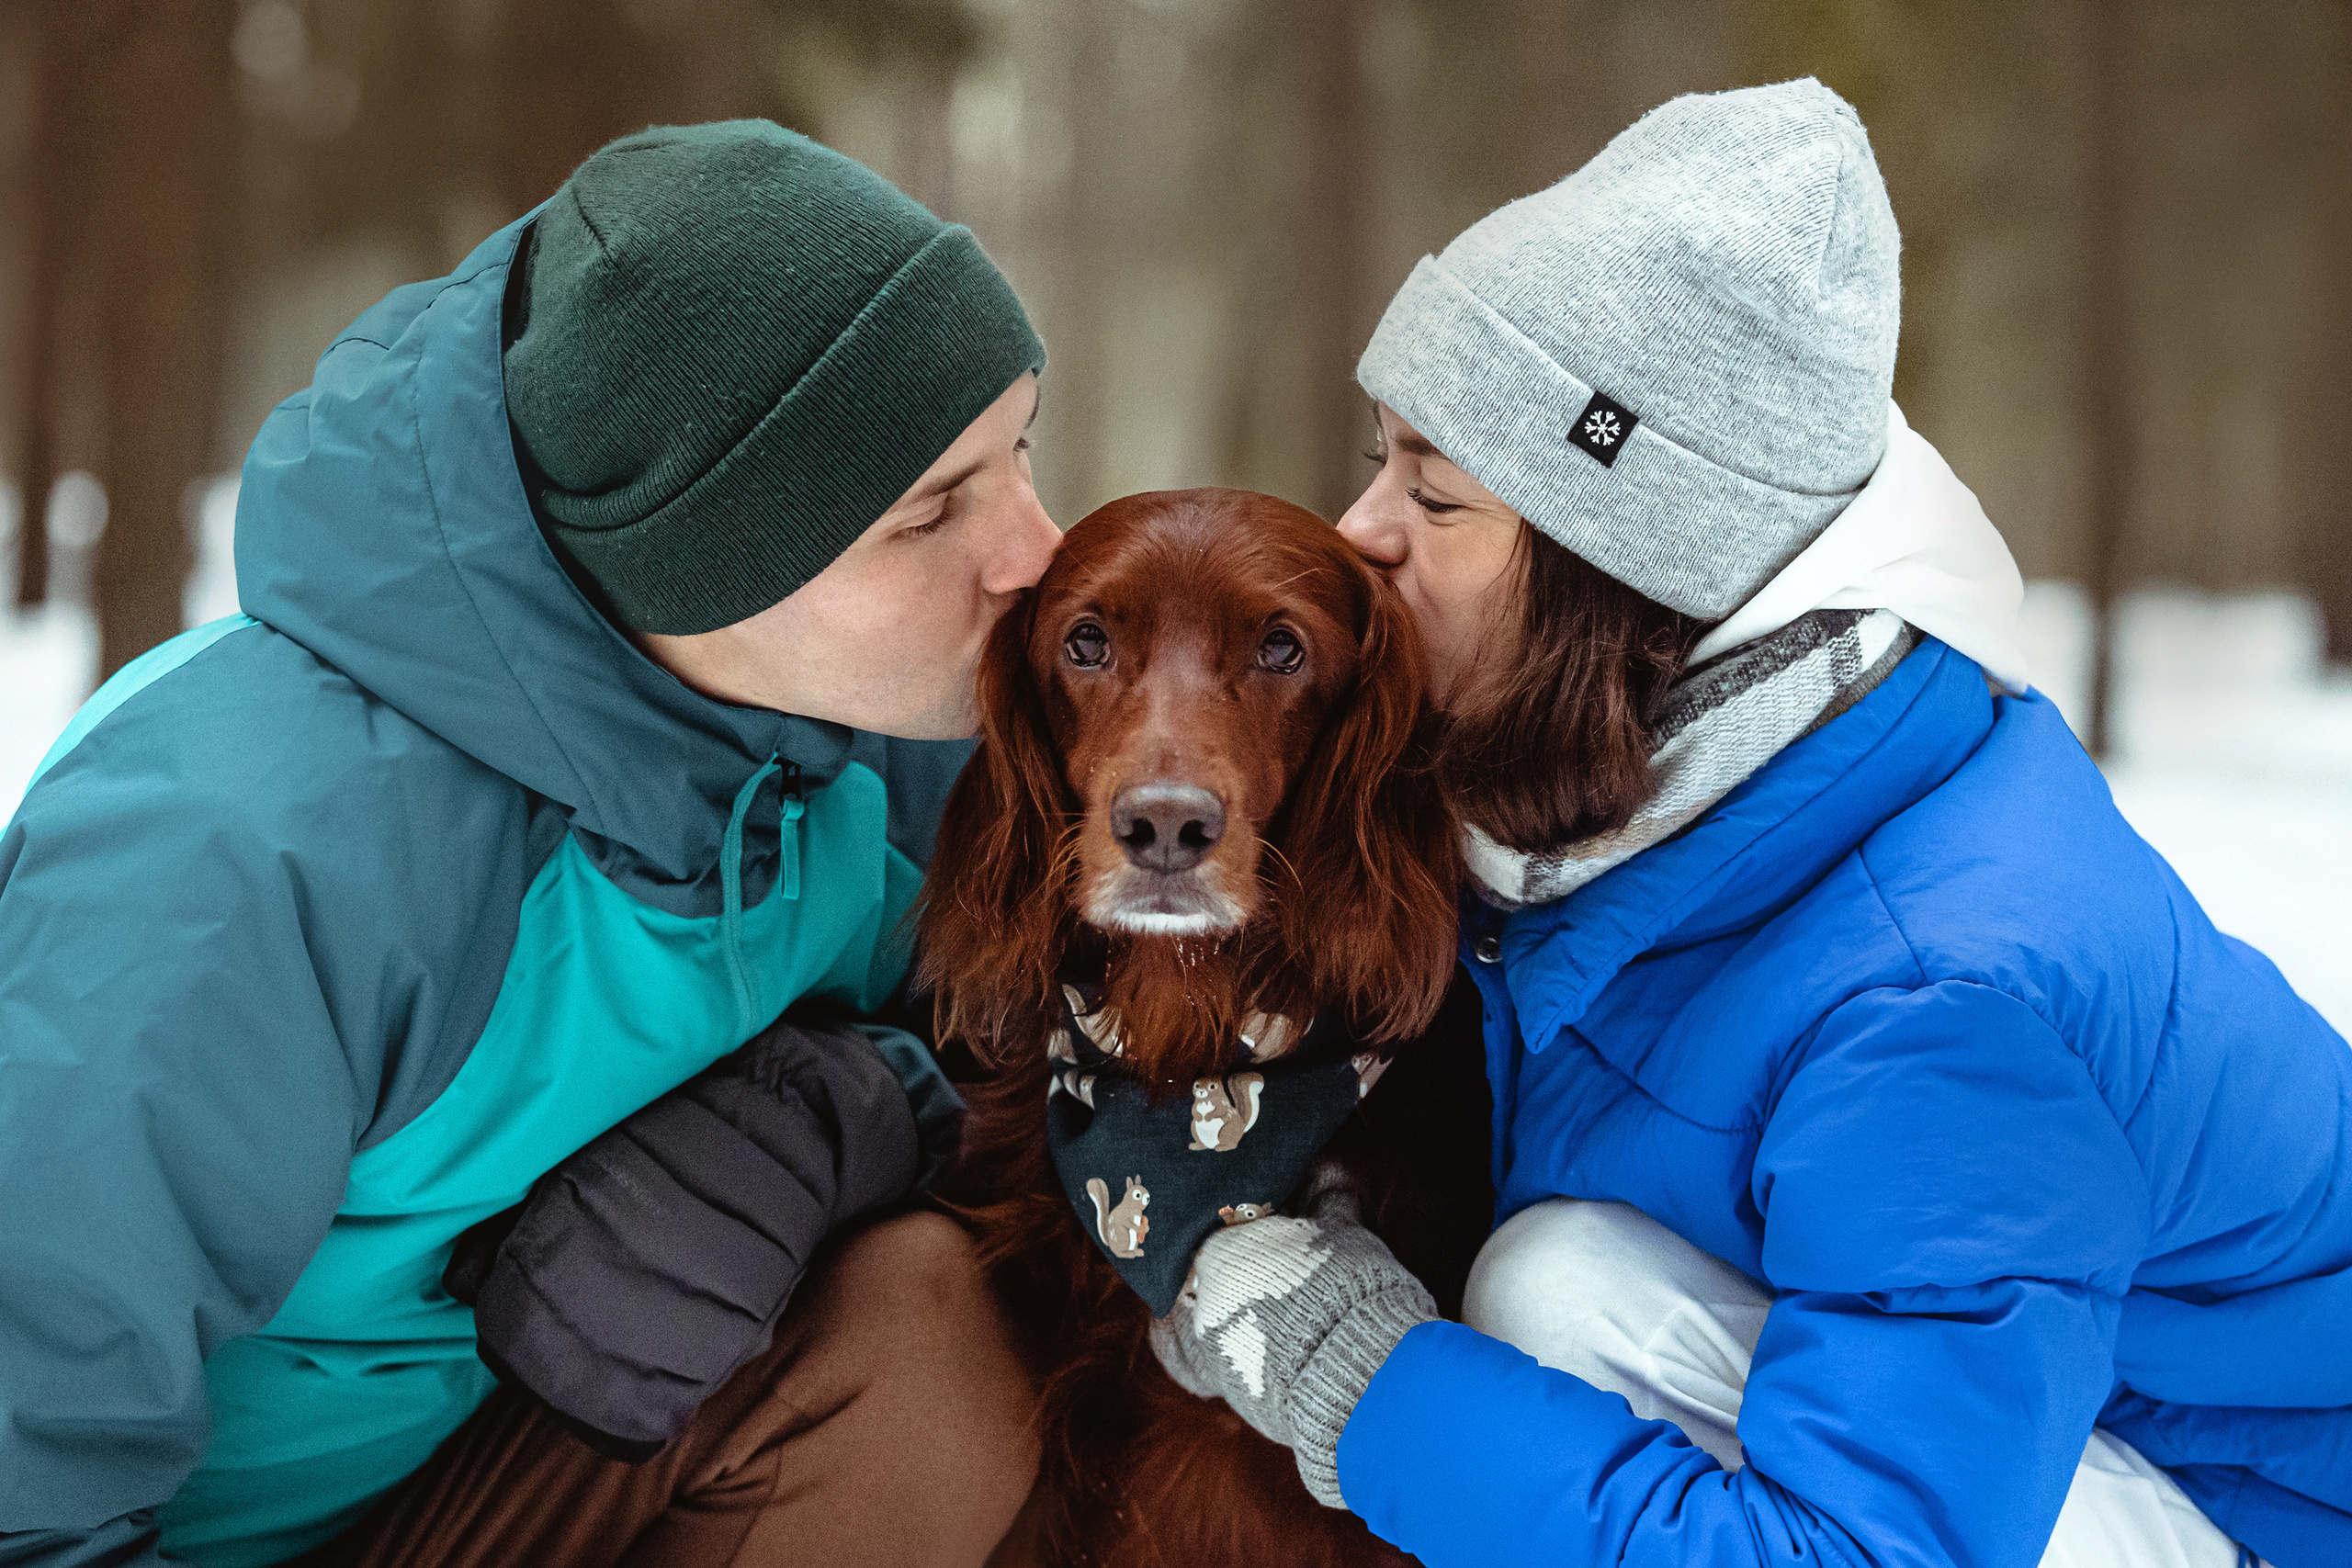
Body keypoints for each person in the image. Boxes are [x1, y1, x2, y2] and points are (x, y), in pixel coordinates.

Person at [1145, 79, 2350, 1568]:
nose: (1359, 532)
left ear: (1621, 572)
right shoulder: (1609, 792)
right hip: (2044, 1436)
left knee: (1556, 1298)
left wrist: (1361, 1382)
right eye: (1382, 455)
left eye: (1435, 495)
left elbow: (1859, 1554)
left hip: (2258, 1522)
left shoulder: (1938, 997)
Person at [0, 122, 1058, 1567]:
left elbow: (1074, 1071)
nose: (1037, 553)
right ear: (709, 562)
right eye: (933, 509)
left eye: (1018, 455)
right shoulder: (239, 852)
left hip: (472, 1489)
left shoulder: (873, 737)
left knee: (927, 1326)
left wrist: (853, 1107)